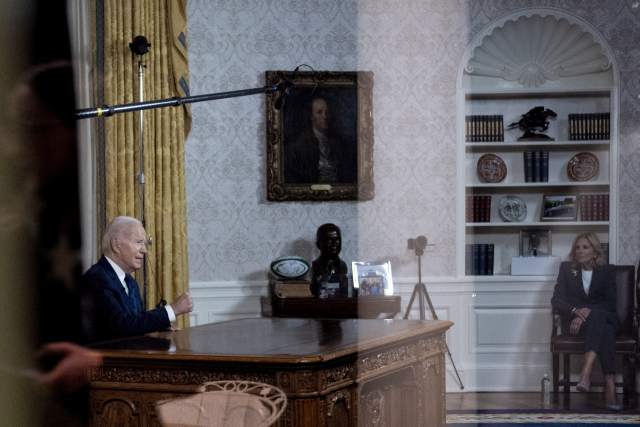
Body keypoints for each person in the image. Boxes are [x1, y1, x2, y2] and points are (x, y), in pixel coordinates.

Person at [81, 216, 194, 343]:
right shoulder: (96, 279)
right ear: (116, 245)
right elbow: (118, 326)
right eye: (138, 242)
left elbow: (133, 325)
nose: (144, 250)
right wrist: (173, 310)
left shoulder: (131, 282)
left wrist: (159, 326)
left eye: (144, 243)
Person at [550, 232, 620, 410]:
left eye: (585, 247)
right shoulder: (567, 269)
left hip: (605, 316)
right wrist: (575, 311)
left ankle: (586, 371)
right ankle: (610, 385)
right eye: (577, 247)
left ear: (595, 252)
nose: (580, 251)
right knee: (606, 330)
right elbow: (556, 300)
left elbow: (610, 303)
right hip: (580, 324)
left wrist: (586, 314)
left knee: (598, 317)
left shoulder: (607, 271)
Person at [284, 97, 357, 184]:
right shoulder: (299, 146)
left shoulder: (338, 142)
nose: (325, 117)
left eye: (327, 112)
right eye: (319, 112)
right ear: (311, 116)